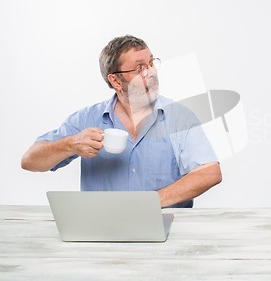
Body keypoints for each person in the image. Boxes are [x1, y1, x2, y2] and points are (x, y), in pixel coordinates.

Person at [21, 35, 222, 208]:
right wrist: (71, 144)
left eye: (152, 63)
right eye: (140, 68)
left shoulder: (179, 117)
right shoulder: (87, 119)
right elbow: (30, 160)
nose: (151, 72)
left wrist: (147, 204)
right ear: (116, 81)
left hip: (164, 233)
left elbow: (209, 173)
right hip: (102, 233)